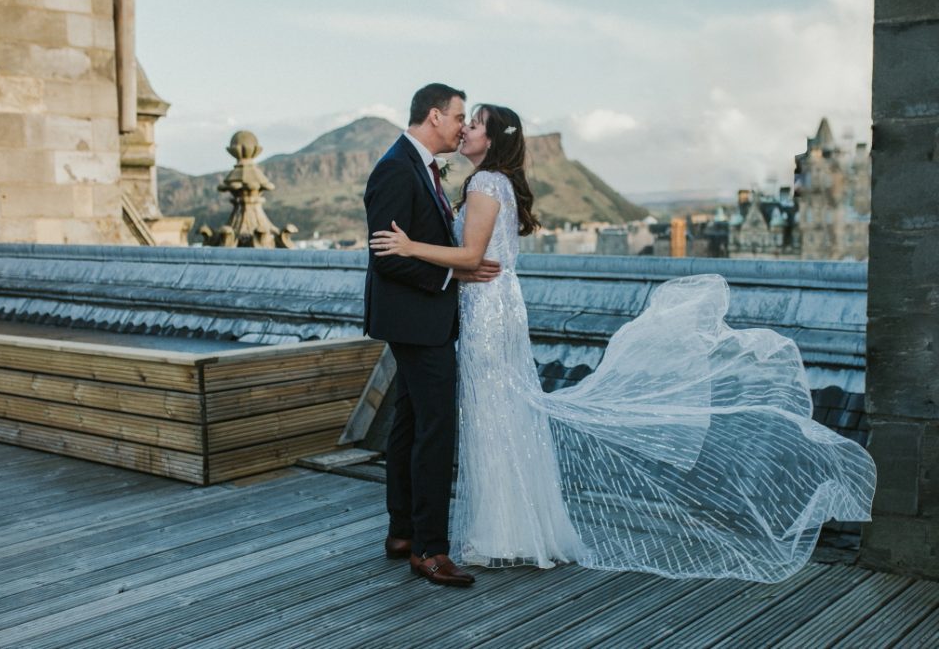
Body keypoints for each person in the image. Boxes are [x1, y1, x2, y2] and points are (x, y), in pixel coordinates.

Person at [370, 103, 876, 582]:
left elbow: (473, 251)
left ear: (493, 140)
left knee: (493, 415)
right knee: (501, 415)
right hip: (495, 305)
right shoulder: (495, 182)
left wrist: (411, 246)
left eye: (474, 123)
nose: (466, 130)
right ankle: (509, 525)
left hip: (486, 311)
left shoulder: (483, 181)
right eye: (465, 120)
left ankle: (498, 527)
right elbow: (477, 255)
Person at [363, 83, 500, 587]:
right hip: (416, 318)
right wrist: (453, 275)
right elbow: (388, 253)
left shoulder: (418, 166)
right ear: (436, 116)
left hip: (419, 318)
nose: (464, 126)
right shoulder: (397, 169)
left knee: (410, 423)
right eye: (460, 116)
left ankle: (403, 533)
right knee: (436, 428)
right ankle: (430, 550)